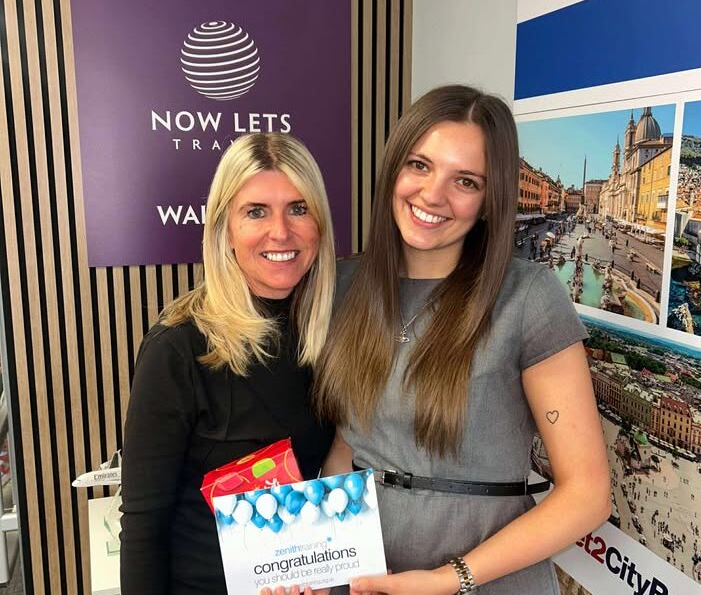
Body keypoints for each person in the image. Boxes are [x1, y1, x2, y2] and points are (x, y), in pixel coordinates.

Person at [314, 85, 610, 594]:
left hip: (487, 581)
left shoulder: (528, 297)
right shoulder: (344, 286)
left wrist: (449, 579)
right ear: (393, 169)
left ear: (489, 200)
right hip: (363, 578)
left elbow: (587, 494)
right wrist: (312, 563)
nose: (433, 195)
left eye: (465, 181)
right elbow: (346, 447)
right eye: (420, 165)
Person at [120, 132, 337, 595]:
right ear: (225, 230)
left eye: (298, 208)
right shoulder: (178, 347)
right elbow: (143, 524)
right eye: (256, 211)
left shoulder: (331, 334)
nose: (281, 231)